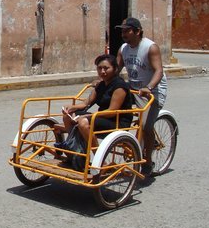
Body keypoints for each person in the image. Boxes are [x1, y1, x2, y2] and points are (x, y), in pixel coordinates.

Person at [116, 17, 168, 176]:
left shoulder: (150, 47)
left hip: (152, 90)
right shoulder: (123, 48)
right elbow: (116, 69)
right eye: (122, 31)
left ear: (137, 31)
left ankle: (147, 160)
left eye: (127, 30)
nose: (124, 34)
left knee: (145, 126)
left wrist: (149, 87)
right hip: (134, 89)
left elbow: (158, 70)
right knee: (113, 112)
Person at [54, 54, 133, 149]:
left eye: (106, 68)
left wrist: (88, 116)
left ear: (115, 69)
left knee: (83, 122)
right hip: (103, 118)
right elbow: (85, 104)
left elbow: (112, 111)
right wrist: (71, 107)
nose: (102, 71)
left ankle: (97, 156)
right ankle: (73, 145)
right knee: (68, 116)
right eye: (99, 68)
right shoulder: (101, 85)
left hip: (117, 122)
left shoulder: (119, 86)